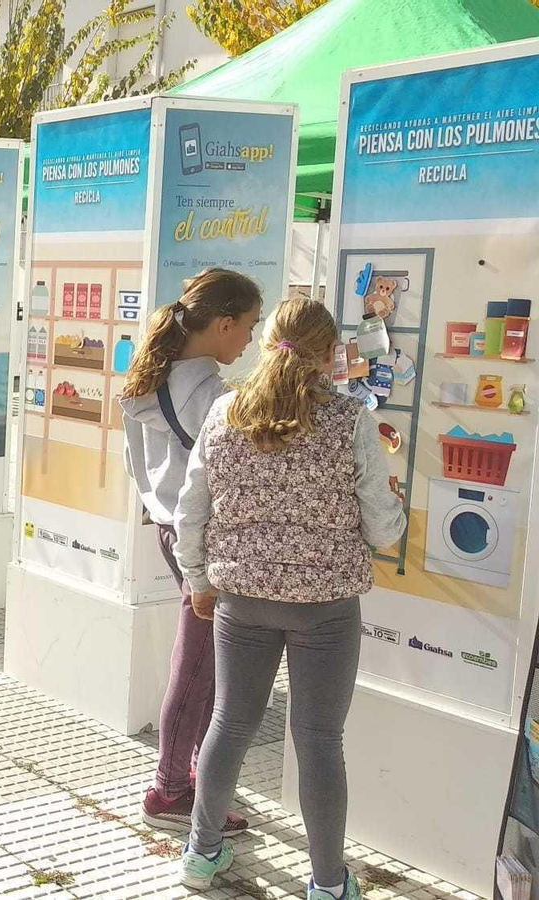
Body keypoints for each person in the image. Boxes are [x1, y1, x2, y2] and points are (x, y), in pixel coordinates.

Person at [173, 299, 406, 900]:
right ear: (330, 356)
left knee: (229, 723)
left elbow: (191, 510)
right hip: (325, 609)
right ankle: (329, 884)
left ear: (266, 343)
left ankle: (200, 855)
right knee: (320, 741)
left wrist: (199, 581)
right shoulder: (350, 420)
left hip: (241, 601)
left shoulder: (225, 413)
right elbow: (383, 531)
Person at [116, 268, 261, 837]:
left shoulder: (147, 381)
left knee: (202, 665)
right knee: (199, 668)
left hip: (169, 528)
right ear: (223, 324)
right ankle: (170, 789)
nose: (250, 340)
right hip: (205, 539)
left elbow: (137, 465)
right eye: (248, 327)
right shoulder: (214, 396)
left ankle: (194, 777)